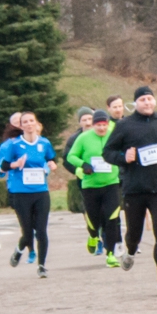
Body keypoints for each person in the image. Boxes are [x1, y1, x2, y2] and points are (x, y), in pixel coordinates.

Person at [102, 85, 157, 296]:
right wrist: (124, 158)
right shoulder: (125, 125)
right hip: (135, 189)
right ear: (136, 103)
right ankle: (130, 250)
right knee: (134, 234)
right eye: (143, 100)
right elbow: (108, 152)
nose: (147, 103)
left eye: (150, 99)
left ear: (154, 101)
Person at [0, 111, 57, 277]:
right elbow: (3, 166)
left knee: (42, 230)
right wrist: (16, 164)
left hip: (41, 191)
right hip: (21, 192)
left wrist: (52, 164)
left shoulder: (44, 143)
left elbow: (51, 158)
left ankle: (42, 265)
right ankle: (19, 249)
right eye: (26, 122)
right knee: (28, 232)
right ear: (21, 126)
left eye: (32, 121)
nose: (29, 124)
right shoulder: (14, 144)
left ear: (36, 123)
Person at [66, 110, 123, 268]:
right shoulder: (83, 138)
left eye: (104, 125)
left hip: (111, 183)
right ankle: (92, 236)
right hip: (90, 185)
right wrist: (83, 165)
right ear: (93, 125)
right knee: (94, 219)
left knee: (111, 219)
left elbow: (123, 151)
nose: (102, 128)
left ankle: (110, 254)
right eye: (98, 125)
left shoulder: (114, 135)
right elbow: (71, 156)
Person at [62, 107, 98, 254]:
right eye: (84, 120)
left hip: (103, 178)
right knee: (90, 209)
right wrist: (77, 169)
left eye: (90, 119)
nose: (88, 122)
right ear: (80, 122)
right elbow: (66, 159)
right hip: (85, 179)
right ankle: (94, 235)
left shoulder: (102, 134)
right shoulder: (74, 139)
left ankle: (104, 237)